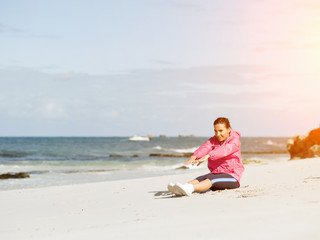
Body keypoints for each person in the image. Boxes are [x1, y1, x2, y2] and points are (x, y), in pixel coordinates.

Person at [168, 117, 244, 196]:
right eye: (215, 131)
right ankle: (182, 188)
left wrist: (208, 155)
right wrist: (193, 157)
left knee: (211, 180)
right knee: (199, 179)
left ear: (228, 129)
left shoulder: (235, 139)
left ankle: (190, 189)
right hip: (217, 173)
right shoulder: (213, 140)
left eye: (221, 131)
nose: (218, 134)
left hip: (232, 176)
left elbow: (226, 149)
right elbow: (205, 147)